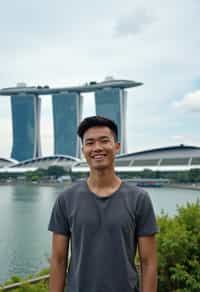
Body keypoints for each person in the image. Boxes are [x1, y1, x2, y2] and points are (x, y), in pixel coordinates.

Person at [48, 116, 158, 292]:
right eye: (90, 143)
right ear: (83, 150)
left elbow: (149, 262)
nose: (97, 148)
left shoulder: (139, 199)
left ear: (117, 146)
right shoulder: (66, 199)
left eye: (104, 141)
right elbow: (59, 260)